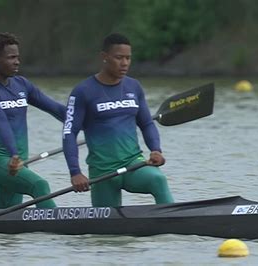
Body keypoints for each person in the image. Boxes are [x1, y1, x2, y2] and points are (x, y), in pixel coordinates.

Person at [62, 33, 174, 207]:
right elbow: (69, 133)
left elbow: (146, 123)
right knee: (105, 233)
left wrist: (156, 150)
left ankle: (171, 222)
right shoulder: (83, 91)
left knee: (157, 179)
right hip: (102, 171)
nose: (125, 63)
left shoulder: (133, 86)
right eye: (119, 58)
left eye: (128, 58)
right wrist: (75, 172)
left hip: (133, 164)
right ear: (104, 57)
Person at [0, 32, 65, 209]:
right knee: (40, 185)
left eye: (18, 57)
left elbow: (56, 109)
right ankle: (62, 233)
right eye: (11, 57)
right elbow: (0, 121)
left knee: (4, 223)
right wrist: (14, 154)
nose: (17, 62)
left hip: (18, 163)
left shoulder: (22, 84)